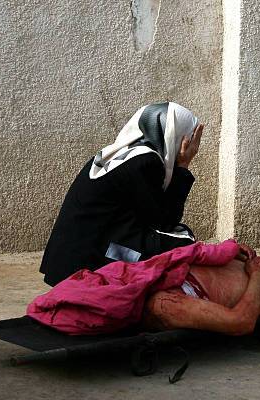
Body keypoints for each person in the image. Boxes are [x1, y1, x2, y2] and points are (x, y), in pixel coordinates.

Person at [40, 102, 204, 286]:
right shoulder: (146, 162)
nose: (189, 146)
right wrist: (183, 166)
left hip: (68, 258)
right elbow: (164, 221)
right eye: (187, 139)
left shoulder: (123, 152)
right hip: (87, 260)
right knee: (183, 244)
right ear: (174, 135)